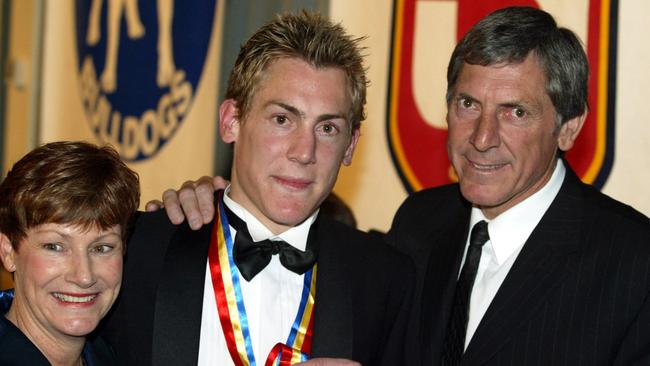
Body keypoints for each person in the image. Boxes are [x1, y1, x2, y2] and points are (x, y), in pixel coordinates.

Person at [162, 6, 650, 366]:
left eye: (515, 112)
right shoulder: (419, 224)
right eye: (467, 104)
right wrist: (210, 206)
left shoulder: (633, 262)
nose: (482, 138)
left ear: (568, 128)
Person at [100, 11, 414, 366]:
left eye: (327, 129)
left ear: (351, 145)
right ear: (231, 121)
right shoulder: (139, 251)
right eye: (282, 120)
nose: (304, 152)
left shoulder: (386, 281)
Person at [0, 141, 140, 366]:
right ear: (8, 251)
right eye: (55, 247)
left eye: (102, 248)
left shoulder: (119, 352)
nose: (84, 276)